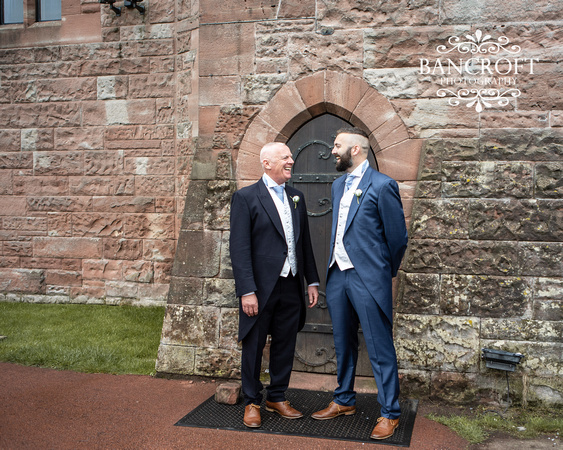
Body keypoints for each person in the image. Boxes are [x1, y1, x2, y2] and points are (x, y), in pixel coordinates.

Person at [311, 127, 408, 440]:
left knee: (380, 347)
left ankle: (390, 412)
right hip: (338, 275)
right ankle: (344, 400)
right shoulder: (339, 185)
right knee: (342, 341)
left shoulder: (382, 185)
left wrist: (382, 272)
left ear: (355, 150)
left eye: (337, 145)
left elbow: (397, 239)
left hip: (368, 277)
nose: (332, 150)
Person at [229, 142, 320, 428]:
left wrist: (312, 281)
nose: (291, 160)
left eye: (291, 156)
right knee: (254, 345)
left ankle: (276, 396)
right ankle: (252, 401)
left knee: (285, 342)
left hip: (291, 284)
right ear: (267, 163)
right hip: (259, 288)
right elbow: (239, 248)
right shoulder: (245, 198)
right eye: (285, 157)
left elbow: (303, 242)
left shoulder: (297, 197)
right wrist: (247, 290)